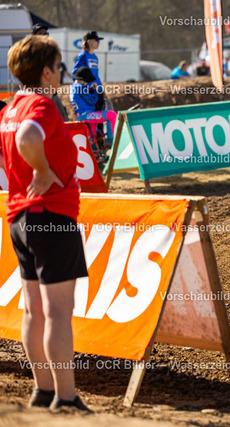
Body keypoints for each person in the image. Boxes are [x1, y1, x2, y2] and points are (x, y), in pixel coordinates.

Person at [0, 35, 91, 412]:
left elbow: (13, 143)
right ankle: (66, 398)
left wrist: (32, 169)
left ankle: (43, 390)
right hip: (50, 215)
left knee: (33, 310)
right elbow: (27, 137)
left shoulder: (11, 107)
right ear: (46, 72)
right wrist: (41, 169)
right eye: (58, 66)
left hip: (20, 217)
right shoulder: (41, 104)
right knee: (57, 313)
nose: (61, 73)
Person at [32, 24, 69, 121]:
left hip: (51, 91)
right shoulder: (31, 51)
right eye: (41, 33)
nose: (44, 35)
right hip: (38, 92)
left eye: (46, 33)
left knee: (63, 118)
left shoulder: (50, 50)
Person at [70, 66, 117, 141]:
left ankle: (101, 145)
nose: (87, 83)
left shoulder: (73, 87)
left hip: (82, 115)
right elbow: (92, 101)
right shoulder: (80, 87)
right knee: (112, 115)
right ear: (83, 79)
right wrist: (95, 90)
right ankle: (111, 140)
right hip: (86, 115)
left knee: (94, 138)